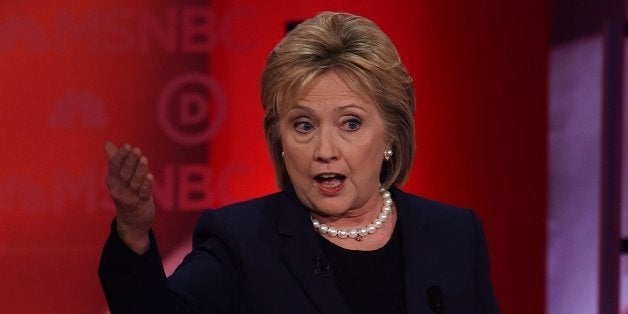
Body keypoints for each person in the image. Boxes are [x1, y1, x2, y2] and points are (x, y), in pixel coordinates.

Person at [98, 11, 499, 314]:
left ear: (392, 134)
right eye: (304, 125)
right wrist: (133, 234)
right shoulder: (241, 240)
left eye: (351, 123)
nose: (325, 149)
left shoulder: (456, 235)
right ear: (281, 139)